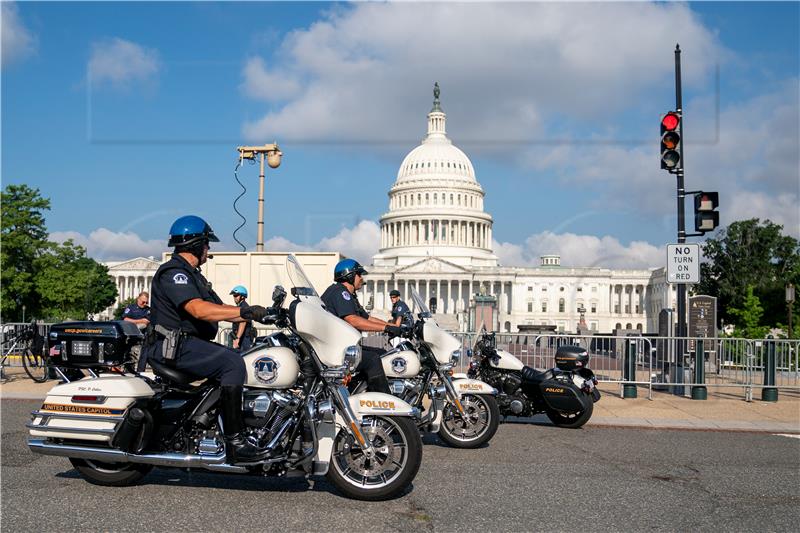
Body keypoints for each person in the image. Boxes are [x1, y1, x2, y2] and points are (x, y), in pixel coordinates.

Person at [140, 215, 269, 463]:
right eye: (207, 244)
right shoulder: (174, 273)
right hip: (172, 347)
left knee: (244, 356)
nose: (208, 250)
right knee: (232, 363)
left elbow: (219, 309)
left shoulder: (195, 276)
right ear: (196, 244)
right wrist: (243, 311)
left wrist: (268, 315)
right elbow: (199, 310)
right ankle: (235, 443)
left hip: (188, 345)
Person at [320, 259, 406, 394]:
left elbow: (367, 318)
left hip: (344, 346)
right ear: (349, 276)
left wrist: (394, 326)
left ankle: (355, 392)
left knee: (383, 354)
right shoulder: (339, 292)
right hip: (335, 349)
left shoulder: (349, 295)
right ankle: (385, 401)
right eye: (359, 275)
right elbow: (353, 320)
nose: (361, 278)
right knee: (372, 360)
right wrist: (386, 329)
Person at [229, 285, 255, 352]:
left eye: (236, 295)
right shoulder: (240, 306)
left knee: (243, 357)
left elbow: (243, 322)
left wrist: (237, 338)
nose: (234, 297)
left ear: (242, 296)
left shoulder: (244, 307)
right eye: (234, 295)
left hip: (244, 339)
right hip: (242, 338)